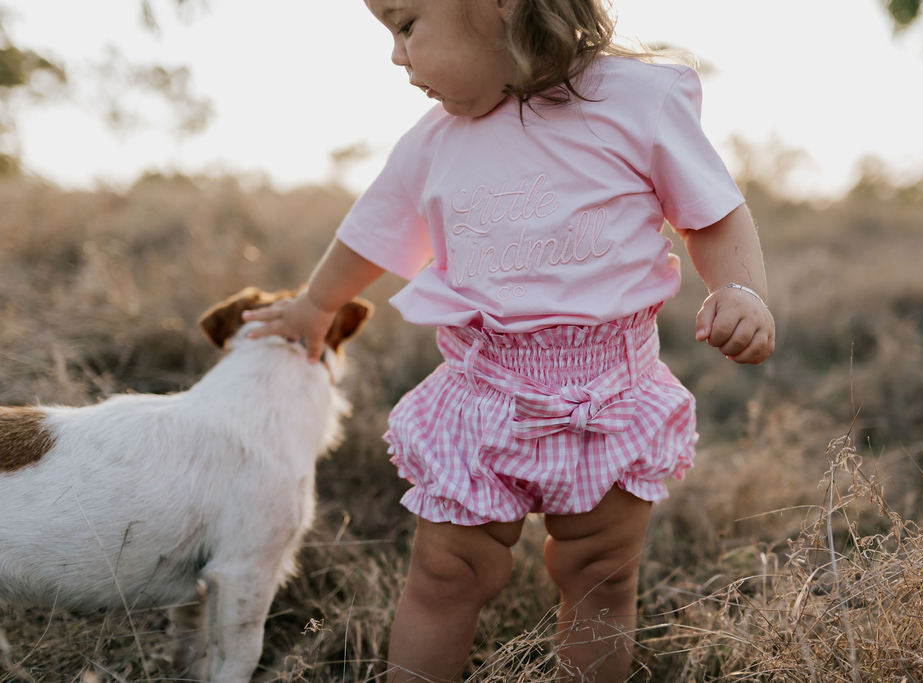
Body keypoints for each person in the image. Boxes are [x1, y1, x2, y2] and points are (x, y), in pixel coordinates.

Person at [244, 0, 775, 680]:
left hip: (609, 397)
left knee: (600, 574)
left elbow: (714, 213)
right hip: (482, 397)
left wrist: (741, 289)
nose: (396, 56)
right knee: (446, 574)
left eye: (405, 25)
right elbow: (370, 232)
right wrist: (315, 305)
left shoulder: (639, 99)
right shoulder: (434, 143)